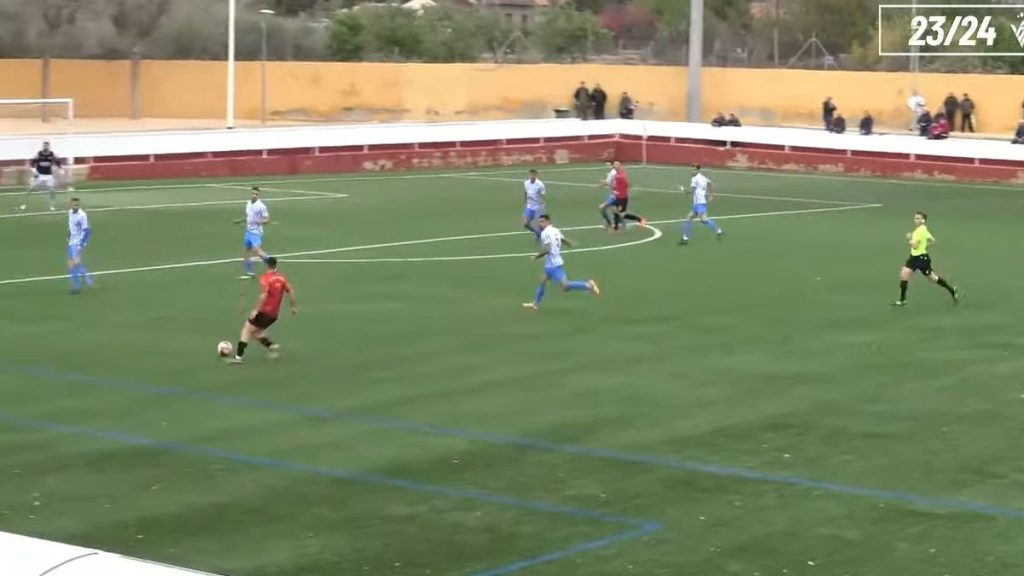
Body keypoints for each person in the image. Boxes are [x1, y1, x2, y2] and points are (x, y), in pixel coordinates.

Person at [522, 214, 599, 311]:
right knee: (542, 281)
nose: (540, 224)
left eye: (542, 221)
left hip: (554, 265)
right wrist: (570, 244)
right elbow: (562, 239)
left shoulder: (545, 233)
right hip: (551, 263)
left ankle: (589, 285)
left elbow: (548, 249)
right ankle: (535, 304)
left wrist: (536, 257)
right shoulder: (555, 230)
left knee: (566, 285)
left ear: (547, 221)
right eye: (539, 222)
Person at [233, 257, 296, 363]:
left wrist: (256, 310)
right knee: (257, 333)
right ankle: (271, 346)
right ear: (276, 266)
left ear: (266, 265)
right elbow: (291, 291)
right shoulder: (282, 278)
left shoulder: (265, 278)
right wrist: (293, 306)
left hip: (264, 312)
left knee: (247, 330)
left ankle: (238, 357)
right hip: (274, 315)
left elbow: (264, 295)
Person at [893, 212, 959, 307]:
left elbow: (915, 246)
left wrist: (909, 239)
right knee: (904, 274)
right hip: (913, 258)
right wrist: (924, 246)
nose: (916, 220)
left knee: (932, 278)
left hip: (922, 259)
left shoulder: (919, 232)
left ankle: (952, 290)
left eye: (918, 218)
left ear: (923, 220)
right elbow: (932, 240)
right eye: (915, 218)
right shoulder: (923, 229)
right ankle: (902, 300)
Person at [679, 165, 723, 245]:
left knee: (699, 219)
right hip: (699, 203)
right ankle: (685, 238)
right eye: (691, 170)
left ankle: (686, 238)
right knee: (692, 219)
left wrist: (684, 190)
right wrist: (711, 194)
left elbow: (691, 191)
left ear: (698, 170)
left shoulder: (694, 179)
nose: (692, 171)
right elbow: (711, 184)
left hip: (699, 204)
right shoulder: (703, 178)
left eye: (694, 170)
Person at [235, 186, 270, 279]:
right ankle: (250, 272)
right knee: (247, 251)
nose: (254, 195)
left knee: (257, 251)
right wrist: (241, 220)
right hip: (248, 231)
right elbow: (248, 217)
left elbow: (266, 219)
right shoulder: (248, 203)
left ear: (258, 195)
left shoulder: (261, 206)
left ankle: (271, 265)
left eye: (256, 194)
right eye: (253, 193)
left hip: (256, 232)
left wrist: (259, 222)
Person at [20, 141, 63, 212]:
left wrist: (61, 169)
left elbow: (57, 162)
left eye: (46, 146)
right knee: (30, 189)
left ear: (48, 146)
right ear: (42, 146)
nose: (45, 147)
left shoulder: (52, 154)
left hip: (49, 175)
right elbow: (32, 163)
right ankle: (23, 204)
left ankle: (52, 205)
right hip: (39, 175)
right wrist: (34, 171)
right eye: (44, 146)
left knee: (52, 190)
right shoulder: (38, 154)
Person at [67, 197, 92, 294]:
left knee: (74, 263)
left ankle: (75, 288)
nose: (75, 206)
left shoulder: (82, 215)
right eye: (74, 205)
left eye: (77, 205)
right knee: (71, 264)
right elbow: (71, 226)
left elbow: (87, 230)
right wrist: (68, 234)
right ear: (71, 205)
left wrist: (80, 245)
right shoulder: (70, 212)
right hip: (72, 241)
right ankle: (85, 274)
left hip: (78, 242)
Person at [610, 163, 646, 232]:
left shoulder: (619, 176)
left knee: (622, 214)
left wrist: (617, 188)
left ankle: (640, 219)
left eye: (616, 164)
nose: (614, 165)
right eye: (614, 164)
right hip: (618, 196)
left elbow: (625, 183)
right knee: (614, 210)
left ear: (619, 166)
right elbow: (619, 185)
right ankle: (616, 228)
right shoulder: (618, 174)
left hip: (622, 198)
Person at [522, 169, 545, 240]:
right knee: (526, 224)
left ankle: (543, 236)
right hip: (530, 206)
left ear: (536, 175)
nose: (531, 176)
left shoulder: (540, 184)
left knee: (540, 224)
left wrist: (541, 201)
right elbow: (525, 192)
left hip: (538, 206)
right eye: (530, 175)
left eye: (533, 175)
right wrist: (525, 201)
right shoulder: (526, 183)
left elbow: (542, 194)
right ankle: (537, 233)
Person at [597, 161, 618, 228]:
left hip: (615, 195)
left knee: (601, 208)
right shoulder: (610, 173)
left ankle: (609, 223)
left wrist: (601, 184)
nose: (607, 166)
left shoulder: (612, 173)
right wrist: (603, 184)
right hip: (612, 194)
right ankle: (618, 222)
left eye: (608, 165)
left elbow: (607, 183)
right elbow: (608, 182)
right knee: (614, 209)